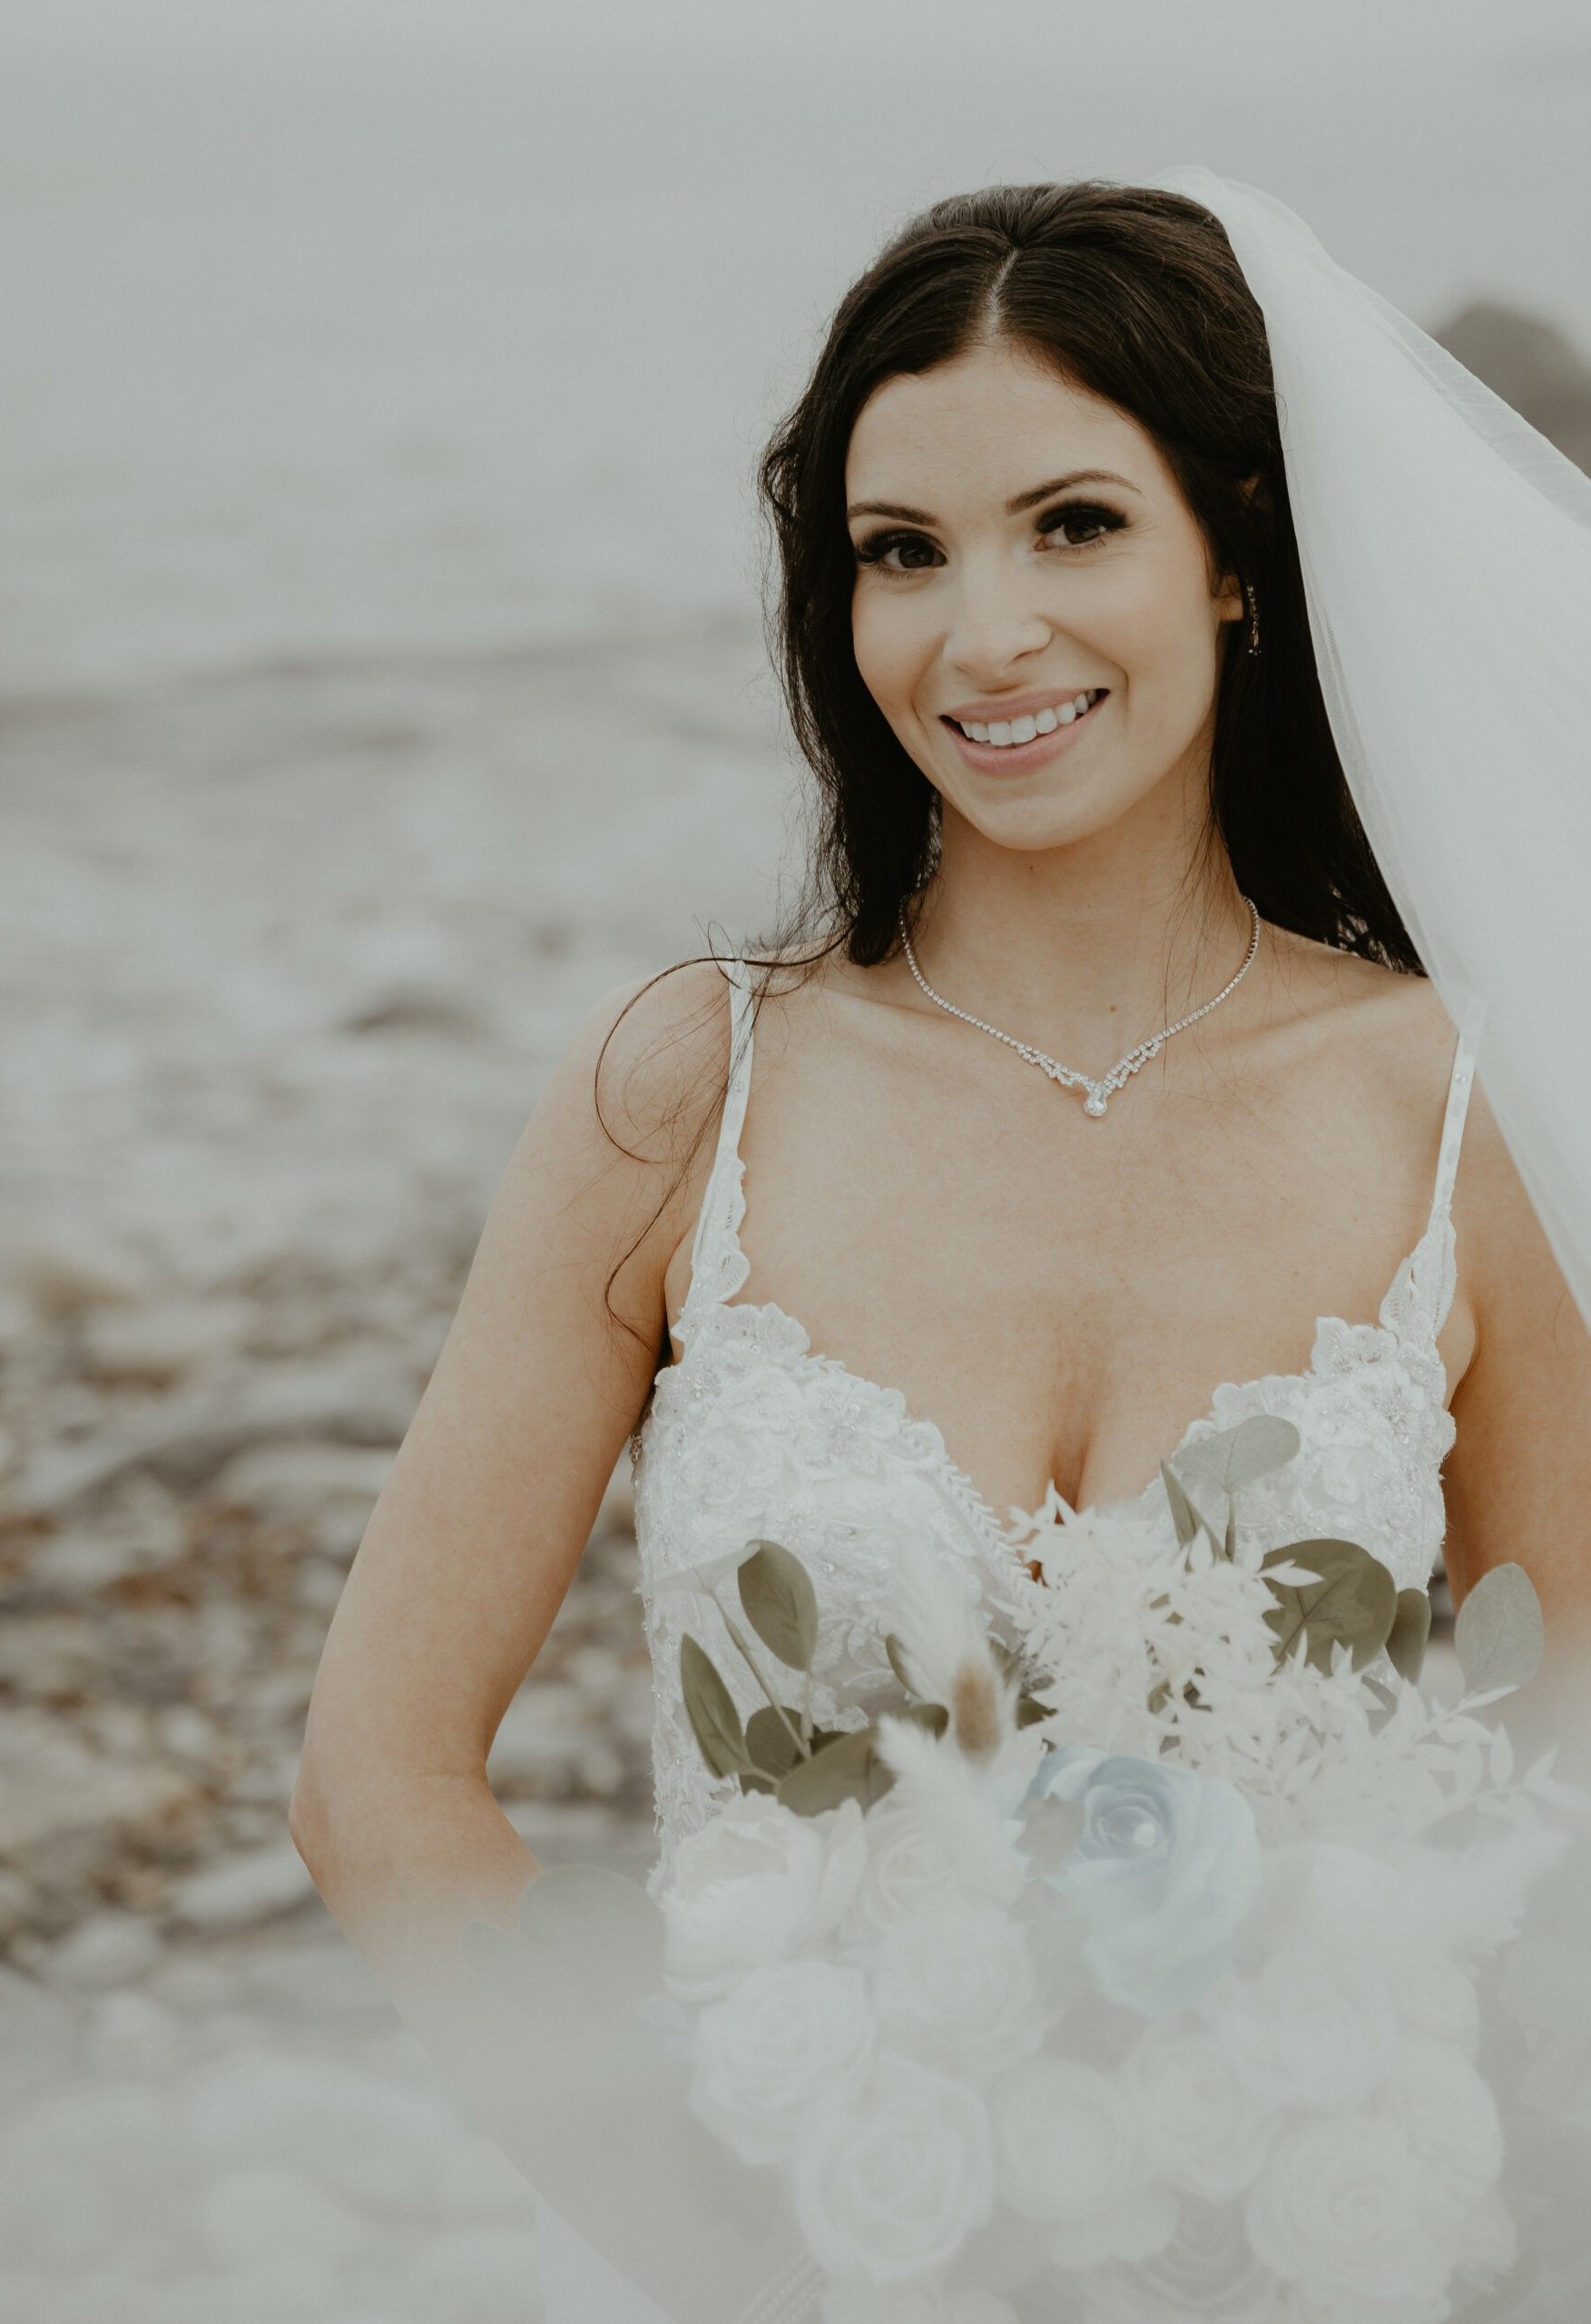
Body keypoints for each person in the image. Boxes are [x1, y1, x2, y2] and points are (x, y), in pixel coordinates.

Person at [289, 174, 1591, 2320]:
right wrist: (707, 2244)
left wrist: (1481, 2208)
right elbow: (378, 1780)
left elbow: (1568, 1780)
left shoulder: (1449, 1108)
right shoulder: (683, 1088)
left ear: (1241, 559)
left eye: (1073, 524)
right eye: (904, 552)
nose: (982, 631)